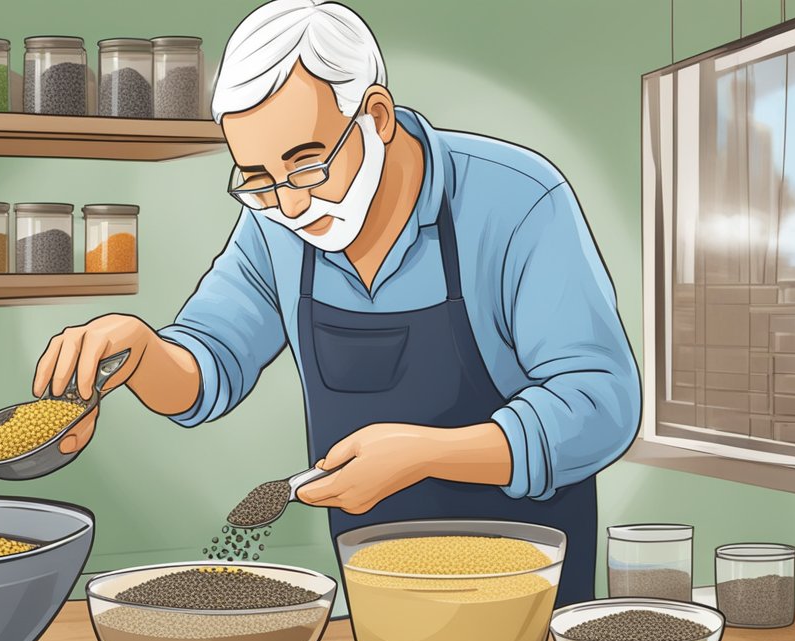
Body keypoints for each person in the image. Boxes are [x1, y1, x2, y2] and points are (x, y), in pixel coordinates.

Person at [32, 0, 639, 605]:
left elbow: (600, 402)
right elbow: (209, 364)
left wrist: (427, 455)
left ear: (375, 115)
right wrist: (139, 355)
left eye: (308, 166)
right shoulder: (273, 224)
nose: (290, 205)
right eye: (258, 179)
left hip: (528, 584)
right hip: (374, 586)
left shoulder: (515, 200)